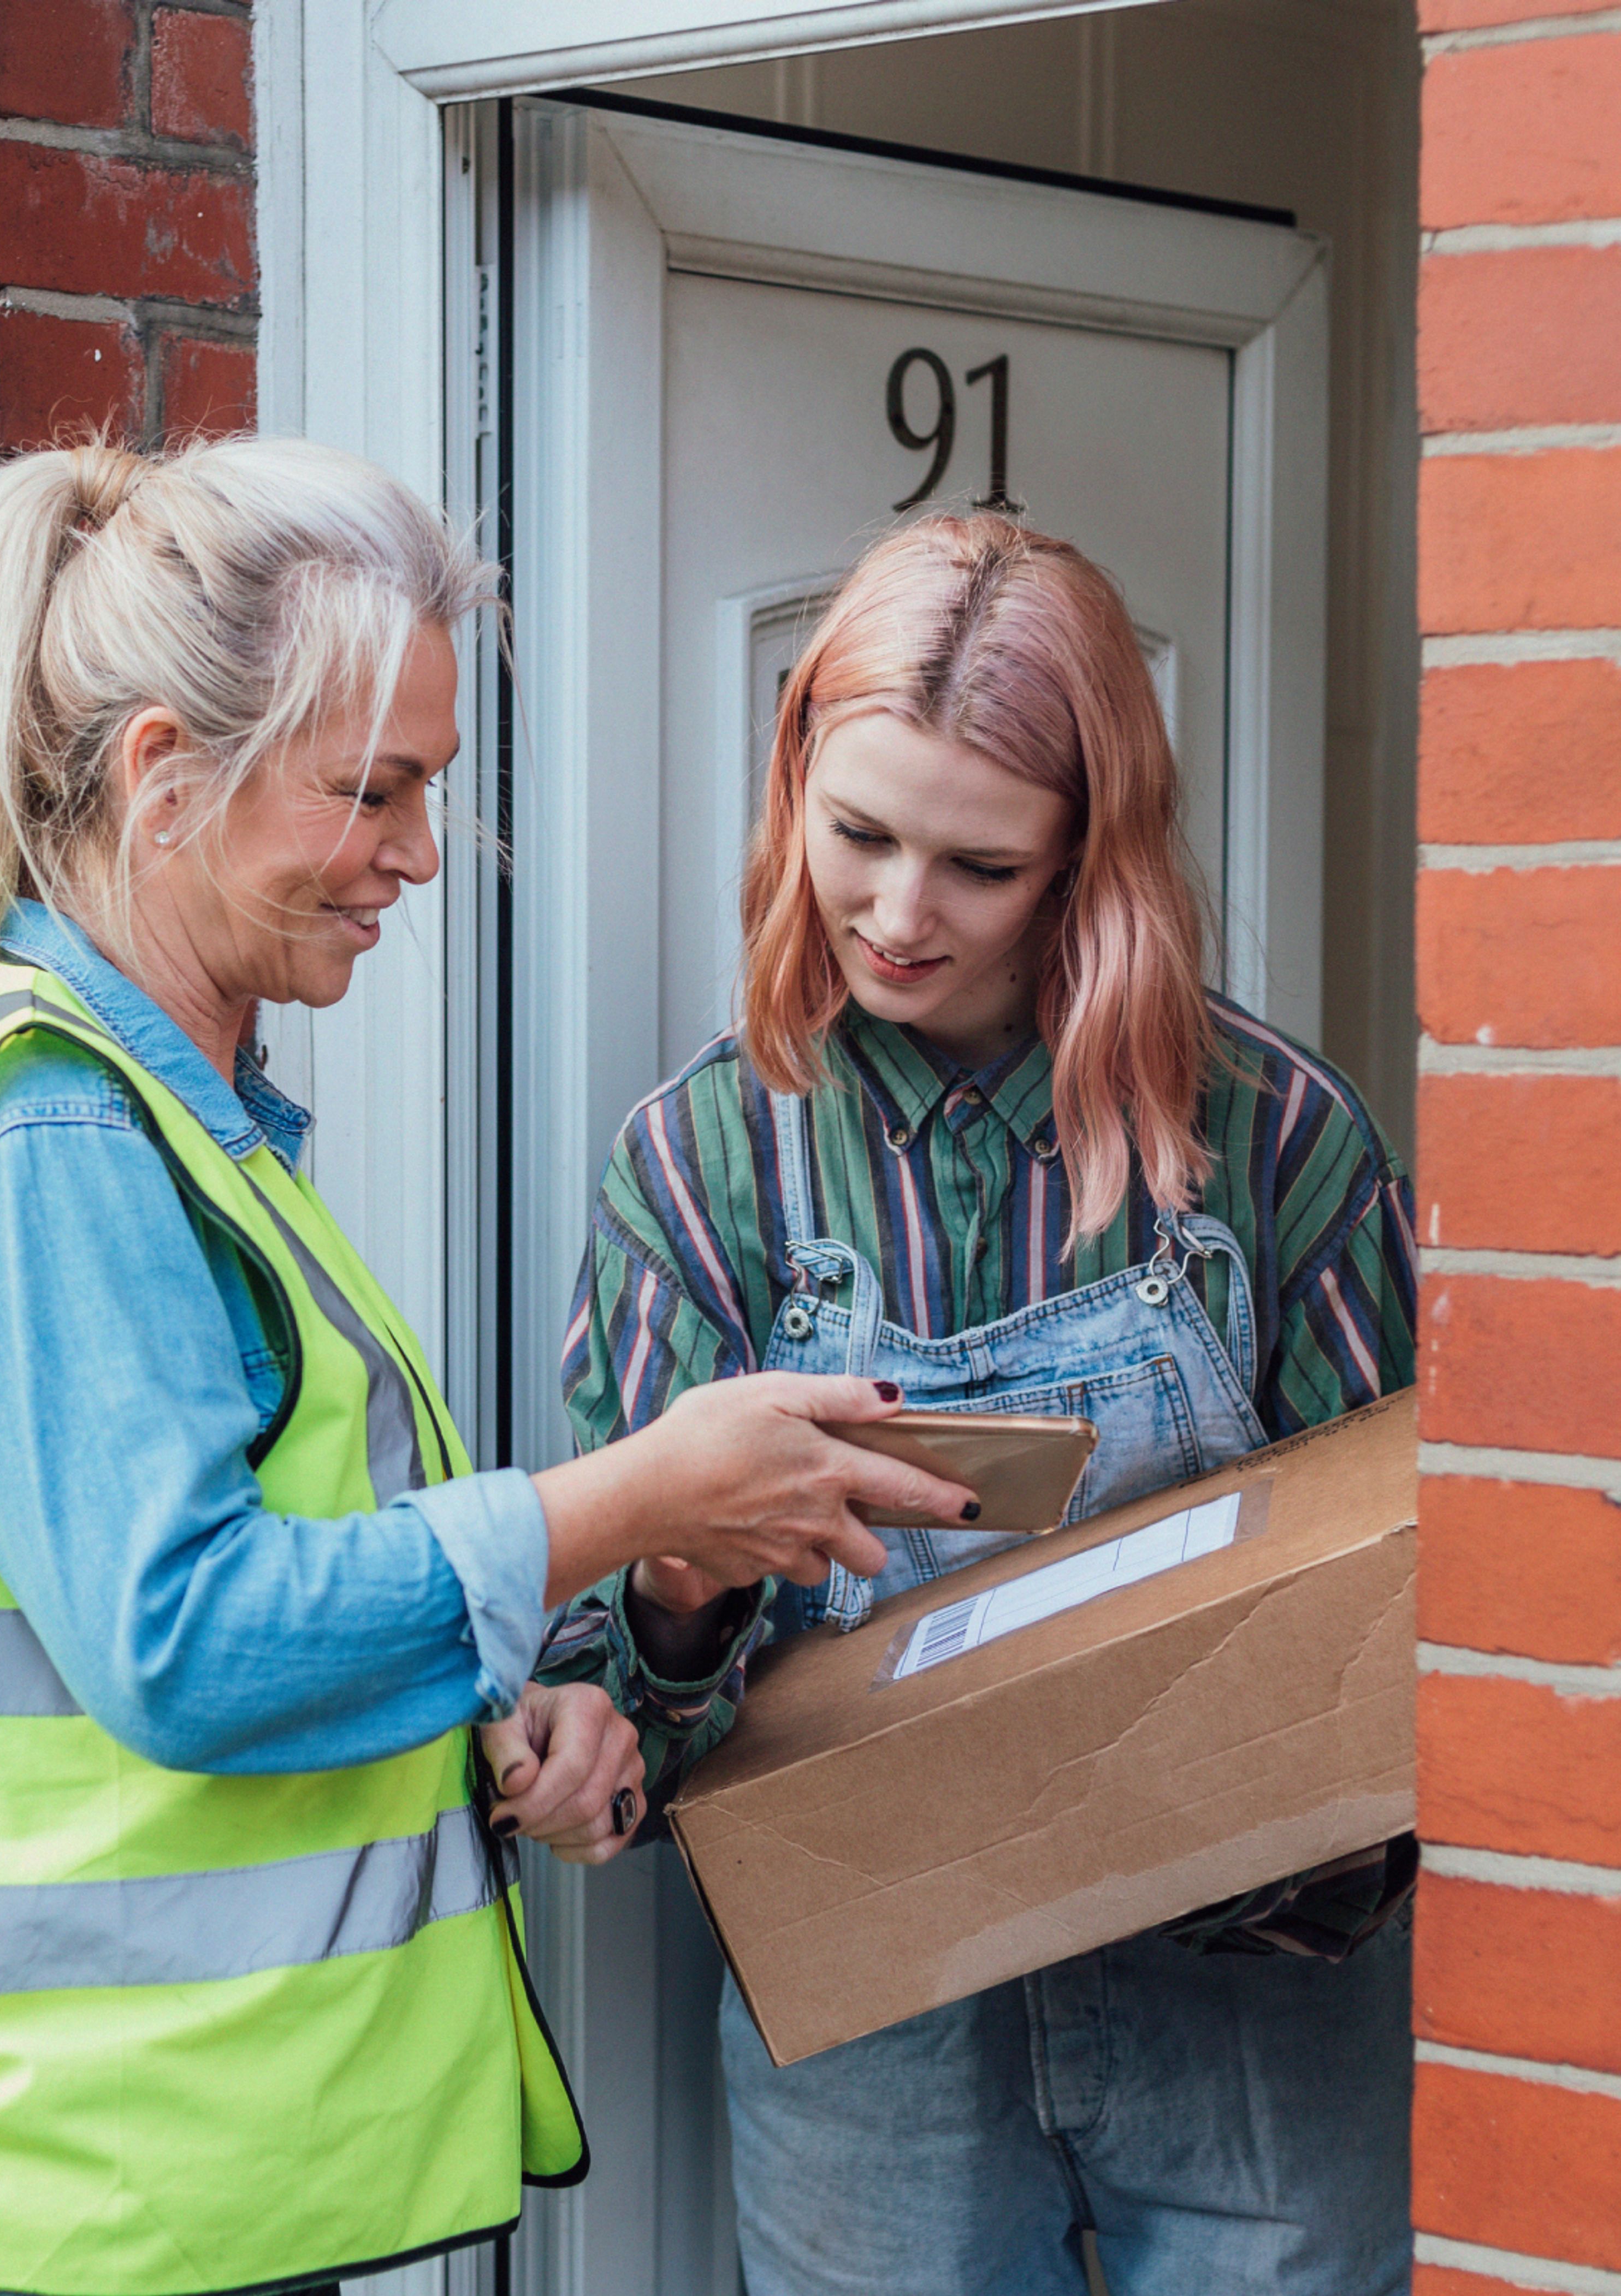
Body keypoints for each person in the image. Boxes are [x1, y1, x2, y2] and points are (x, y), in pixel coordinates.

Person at [0, 438, 976, 2296]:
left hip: (114, 2192)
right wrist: (628, 1500)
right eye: (371, 791)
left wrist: (481, 1737)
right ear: (163, 775)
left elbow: (189, 1655)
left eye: (431, 788)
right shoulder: (43, 1137)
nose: (418, 855)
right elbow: (183, 1641)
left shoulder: (180, 1118)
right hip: (17, 2215)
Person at [548, 512, 1420, 2296]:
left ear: (1088, 859)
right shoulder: (705, 1164)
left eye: (978, 866)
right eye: (857, 832)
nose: (894, 913)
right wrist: (678, 1586)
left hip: (1248, 2001)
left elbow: (1416, 1619)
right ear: (794, 765)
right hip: (876, 2024)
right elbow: (603, 1686)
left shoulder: (1279, 1143)